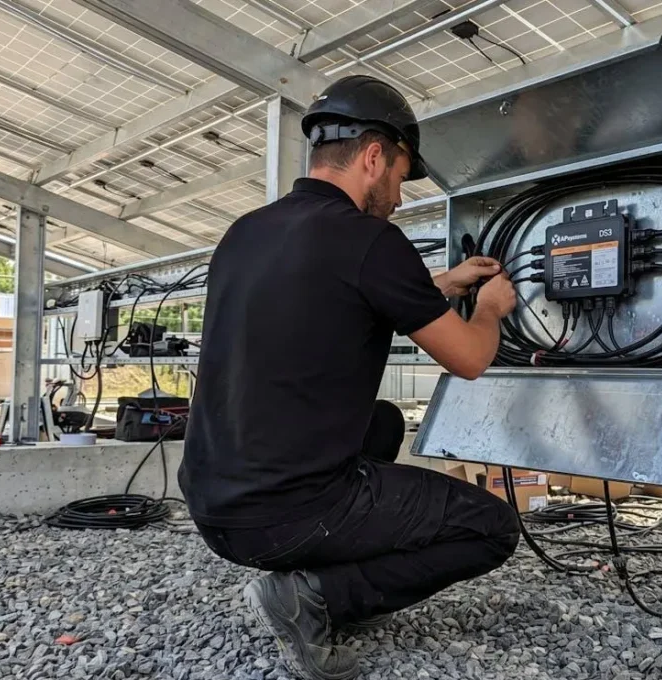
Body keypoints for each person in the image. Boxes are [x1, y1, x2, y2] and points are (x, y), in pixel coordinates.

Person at [177, 74, 522, 680]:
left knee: (383, 422)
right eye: (398, 176)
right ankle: (318, 594)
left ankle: (329, 567)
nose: (398, 195)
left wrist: (444, 284)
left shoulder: (246, 232)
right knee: (493, 527)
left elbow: (343, 296)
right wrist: (491, 305)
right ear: (372, 156)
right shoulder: (370, 239)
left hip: (212, 501)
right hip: (281, 515)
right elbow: (469, 357)